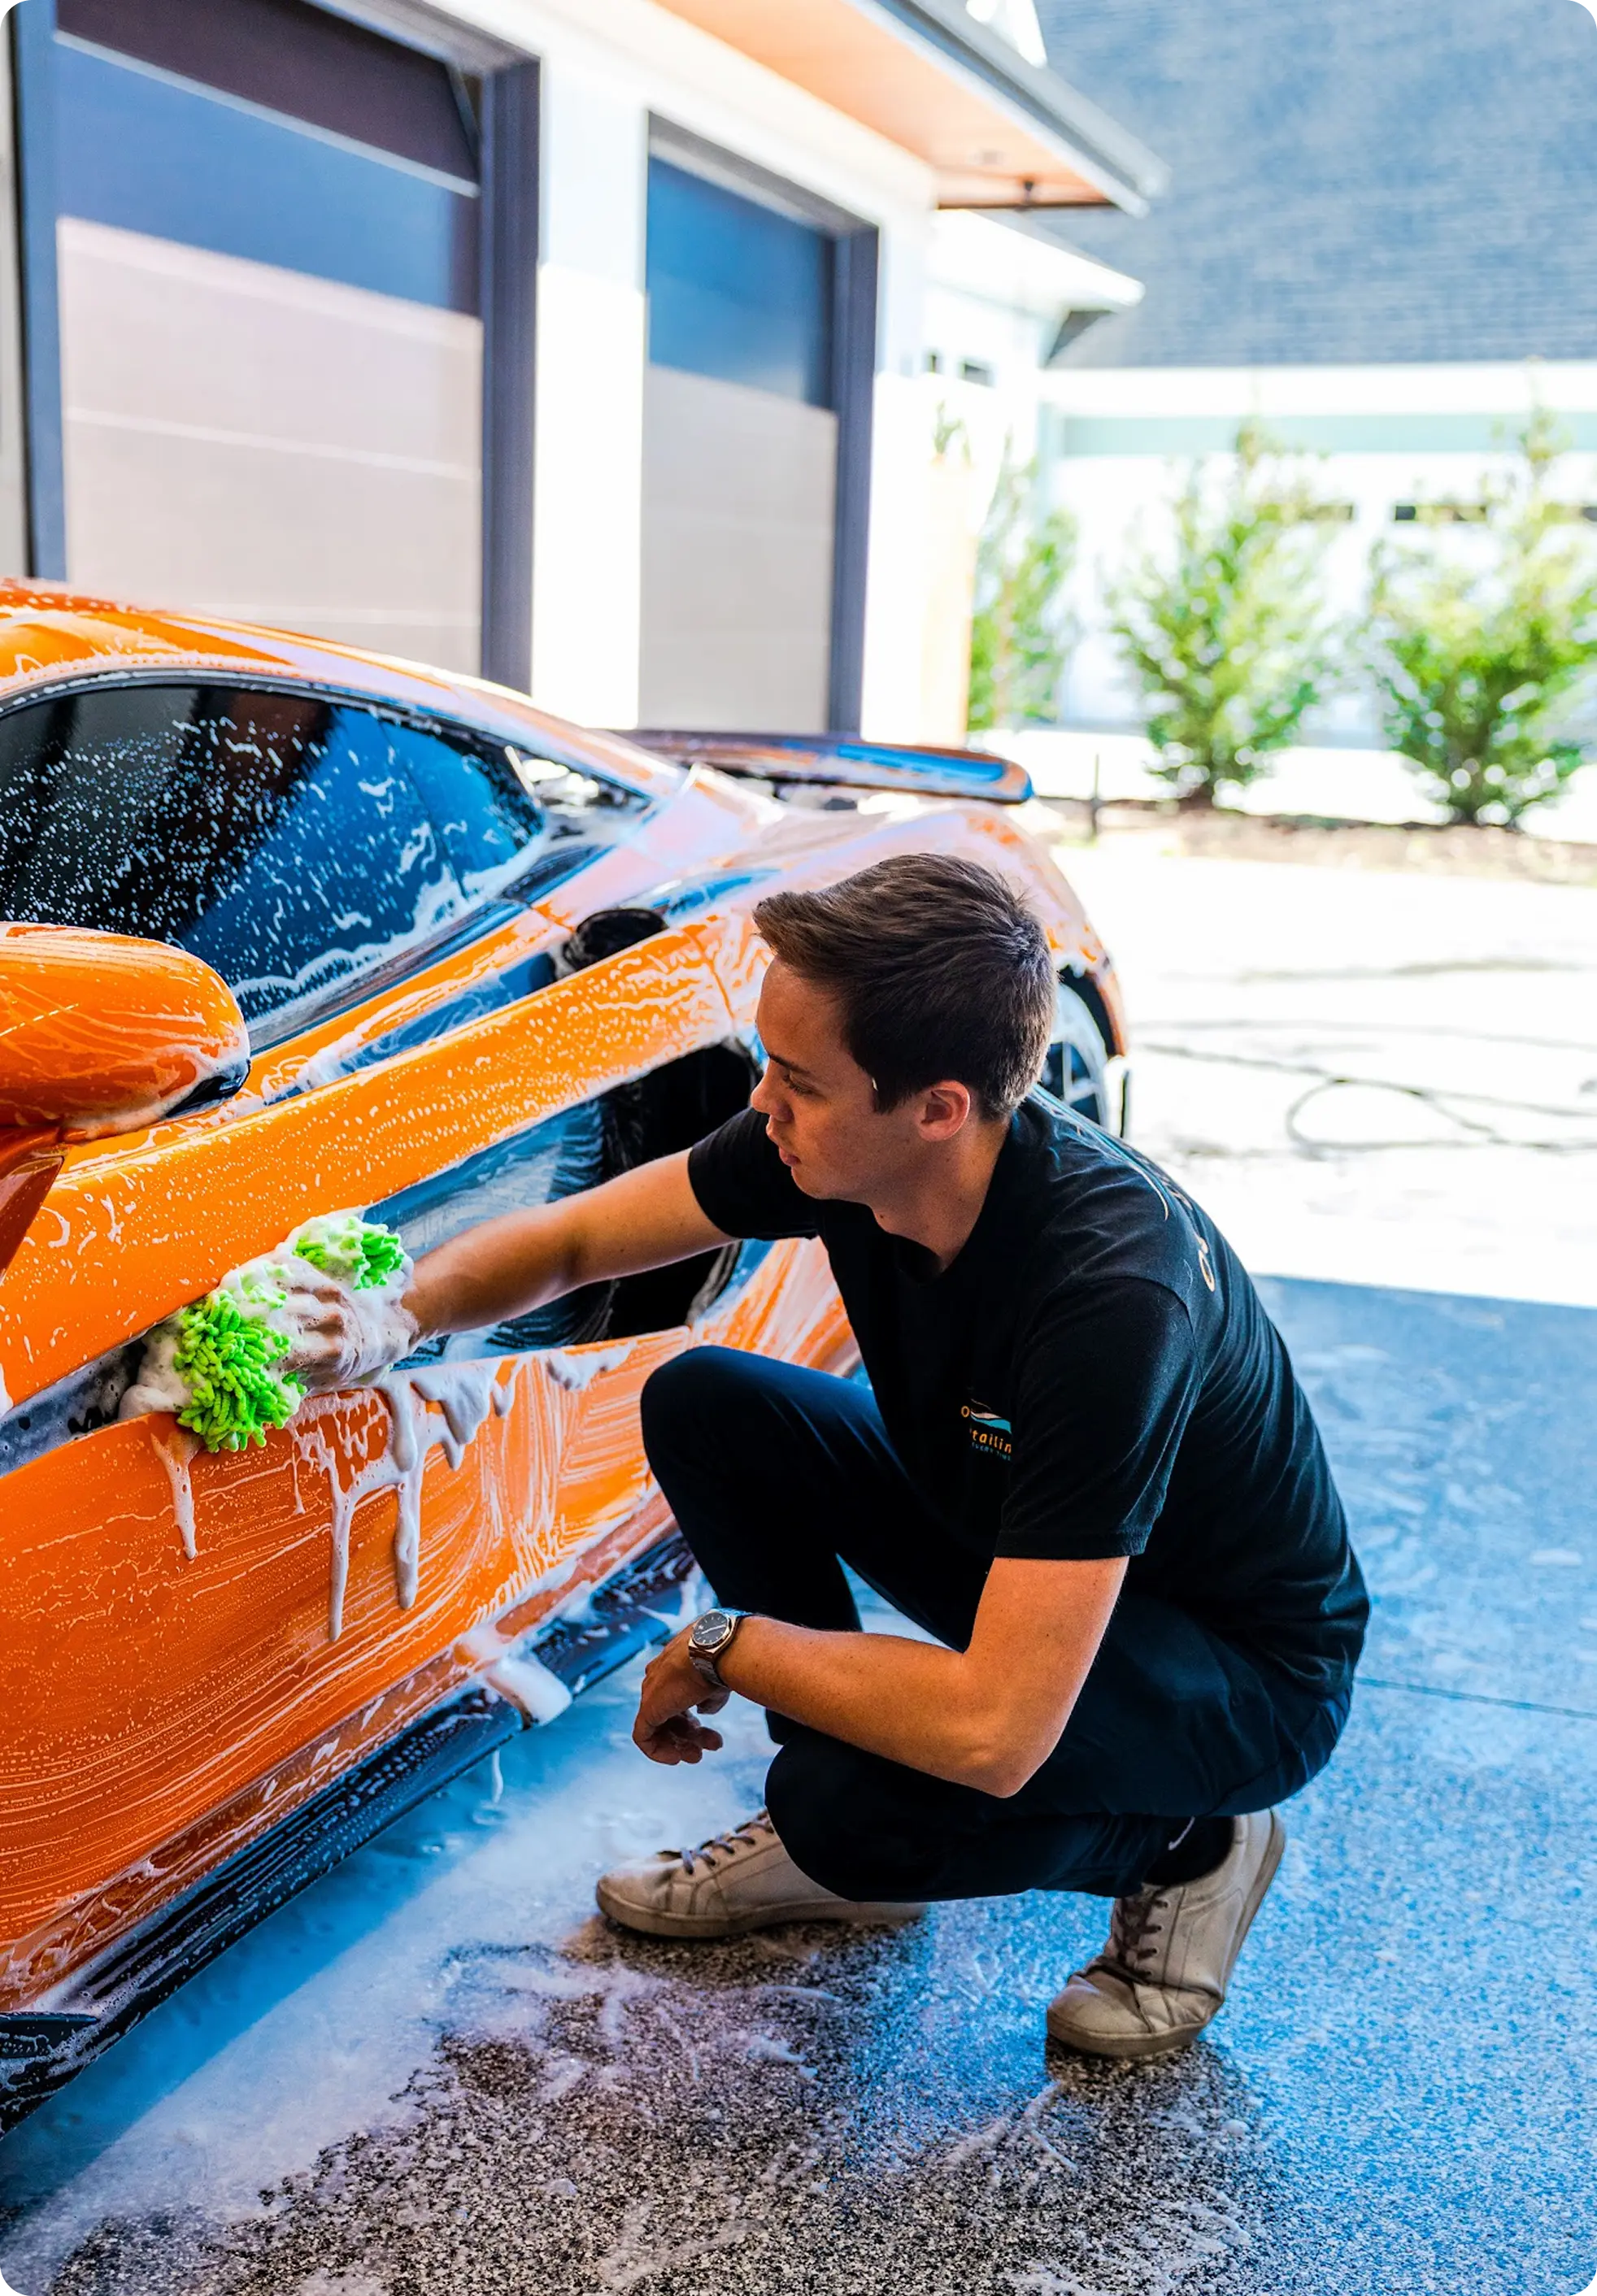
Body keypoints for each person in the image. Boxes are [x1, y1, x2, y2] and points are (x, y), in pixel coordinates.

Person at [289, 854, 1367, 2061]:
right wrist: (390, 1316)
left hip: (1233, 1667)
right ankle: (833, 1835)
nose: (761, 1105)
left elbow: (994, 1730)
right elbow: (581, 1234)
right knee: (709, 1401)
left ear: (938, 1106)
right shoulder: (851, 1145)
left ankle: (1196, 1846)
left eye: (796, 1080)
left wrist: (726, 1644)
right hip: (1028, 1539)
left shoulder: (1111, 1297)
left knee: (857, 1808)